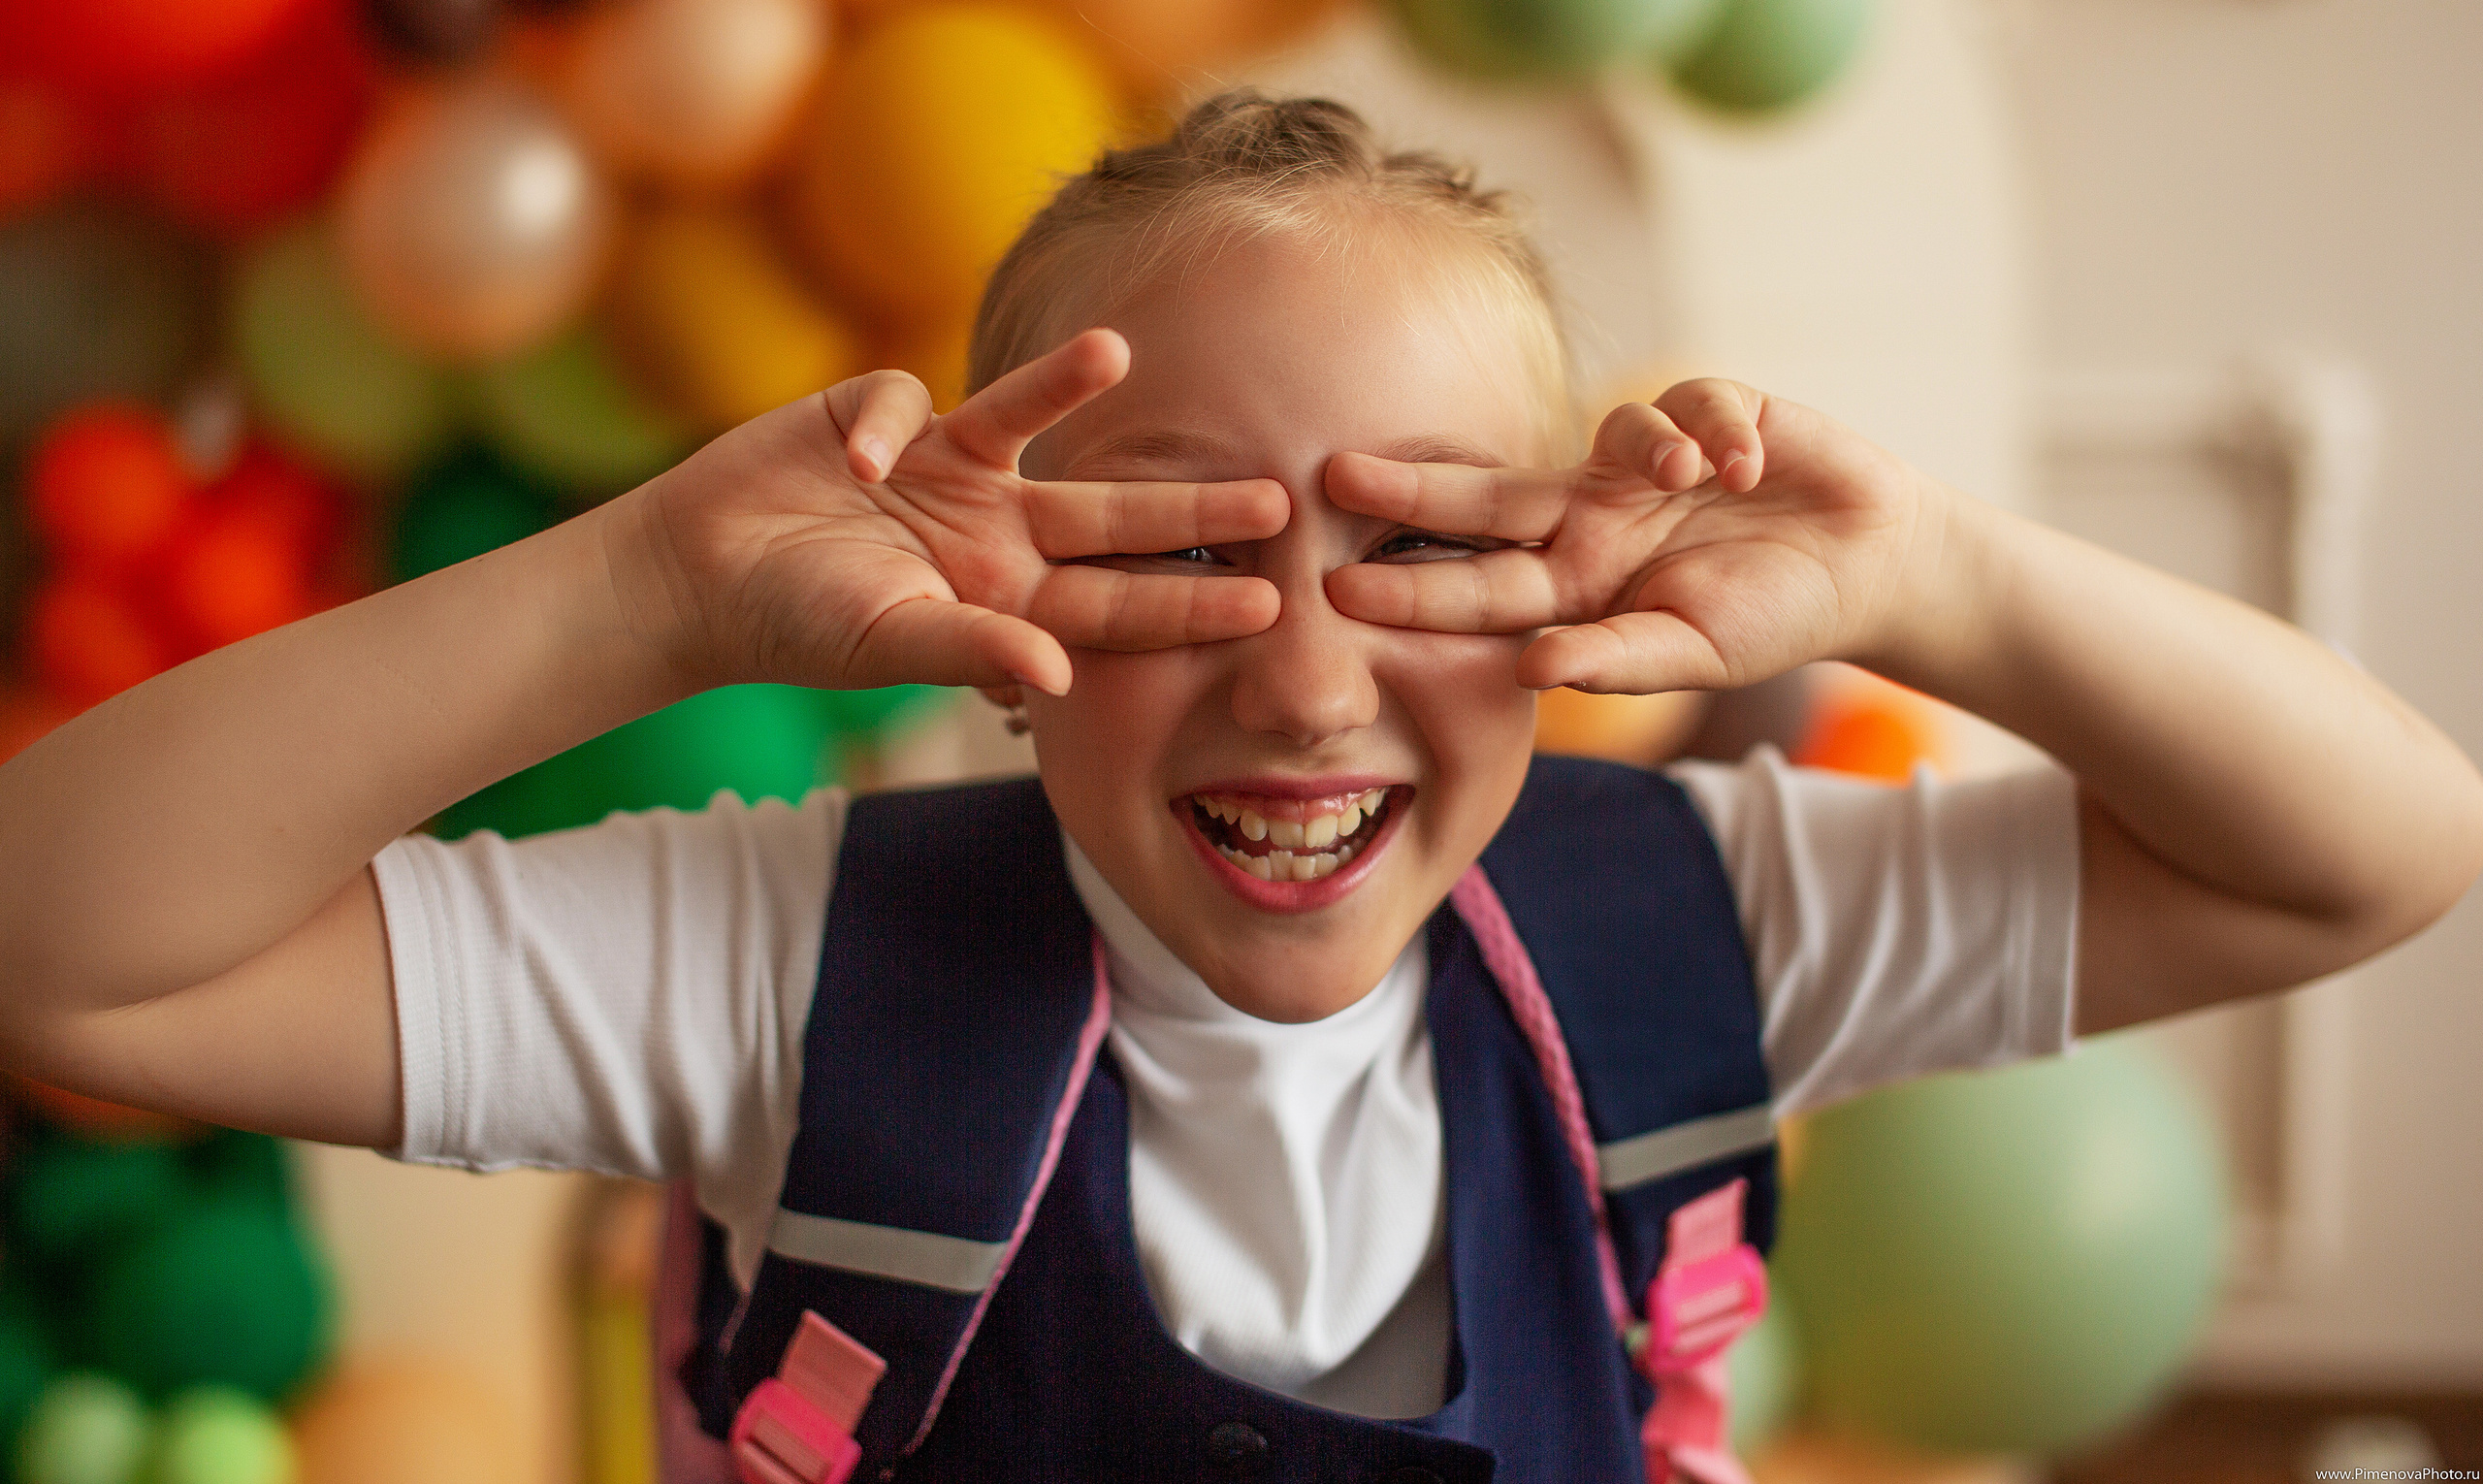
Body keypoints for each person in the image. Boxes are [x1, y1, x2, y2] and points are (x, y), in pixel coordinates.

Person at [1, 93, 2477, 1481]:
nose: (1303, 682)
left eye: (1419, 547)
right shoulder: (785, 970)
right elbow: (65, 948)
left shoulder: (1691, 923)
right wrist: (640, 593)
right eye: (1179, 551)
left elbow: (2375, 850)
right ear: (990, 619)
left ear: (1563, 588)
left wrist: (1938, 570)